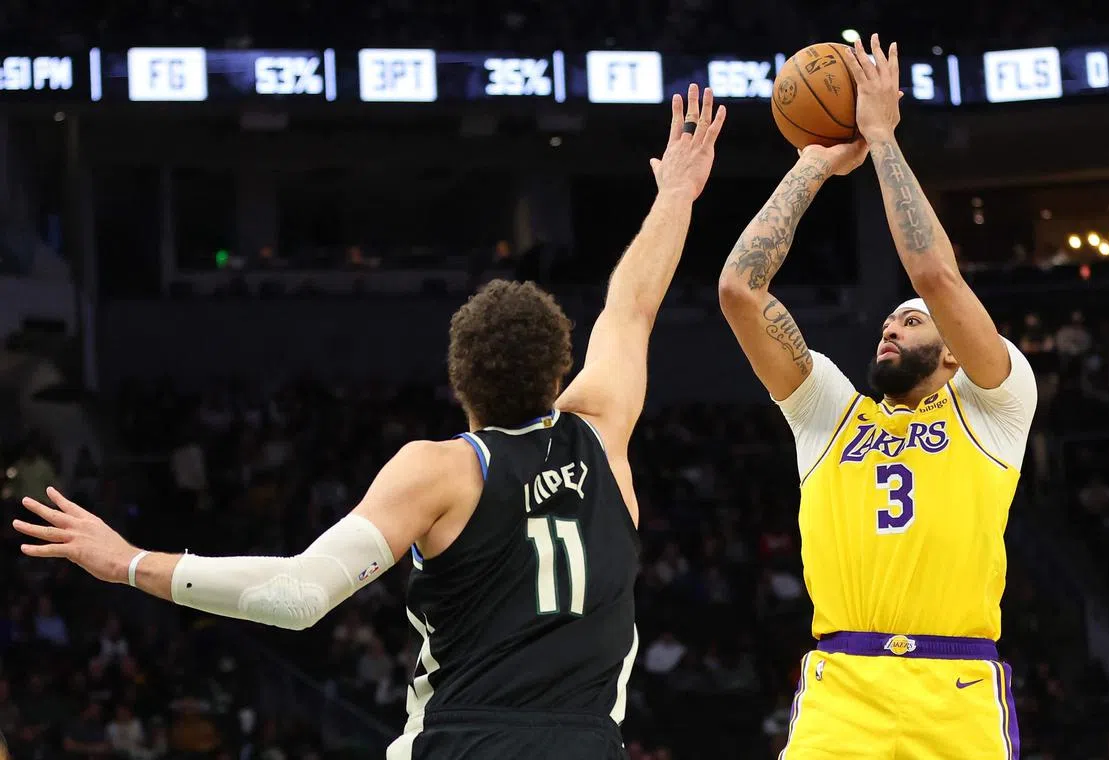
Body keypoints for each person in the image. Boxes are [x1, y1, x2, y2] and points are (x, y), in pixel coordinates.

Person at [12, 84, 727, 760]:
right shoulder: (603, 433)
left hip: (463, 743)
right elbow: (632, 305)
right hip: (589, 745)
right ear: (559, 371)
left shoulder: (444, 468)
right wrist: (675, 196)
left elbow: (298, 595)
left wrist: (128, 563)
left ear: (459, 384)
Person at [718, 34, 1036, 759]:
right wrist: (812, 165)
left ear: (954, 347)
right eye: (888, 320)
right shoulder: (829, 413)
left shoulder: (997, 404)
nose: (892, 324)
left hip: (955, 689)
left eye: (911, 321)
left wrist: (882, 138)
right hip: (843, 688)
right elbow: (740, 289)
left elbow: (936, 277)